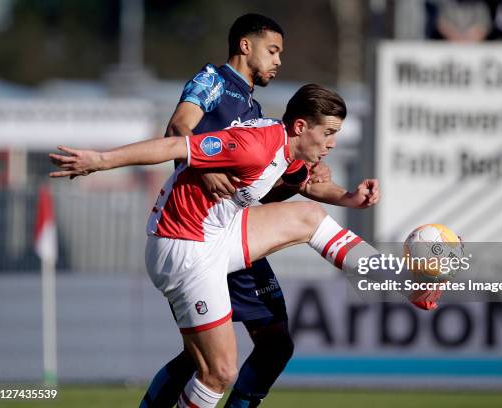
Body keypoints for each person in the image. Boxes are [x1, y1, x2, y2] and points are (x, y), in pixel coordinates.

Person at [50, 84, 438, 408]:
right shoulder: (255, 143)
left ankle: (405, 283)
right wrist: (100, 160)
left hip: (218, 233)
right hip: (184, 245)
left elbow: (306, 182)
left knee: (308, 217)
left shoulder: (286, 150)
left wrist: (349, 196)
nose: (333, 143)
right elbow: (175, 147)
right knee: (219, 372)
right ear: (301, 126)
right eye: (328, 133)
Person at [145, 13, 329, 408]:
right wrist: (204, 170)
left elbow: (258, 195)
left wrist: (312, 184)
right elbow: (177, 131)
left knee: (270, 345)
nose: (279, 61)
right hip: (198, 232)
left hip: (233, 230)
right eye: (273, 50)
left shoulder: (253, 109)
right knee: (217, 360)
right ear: (246, 45)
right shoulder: (212, 81)